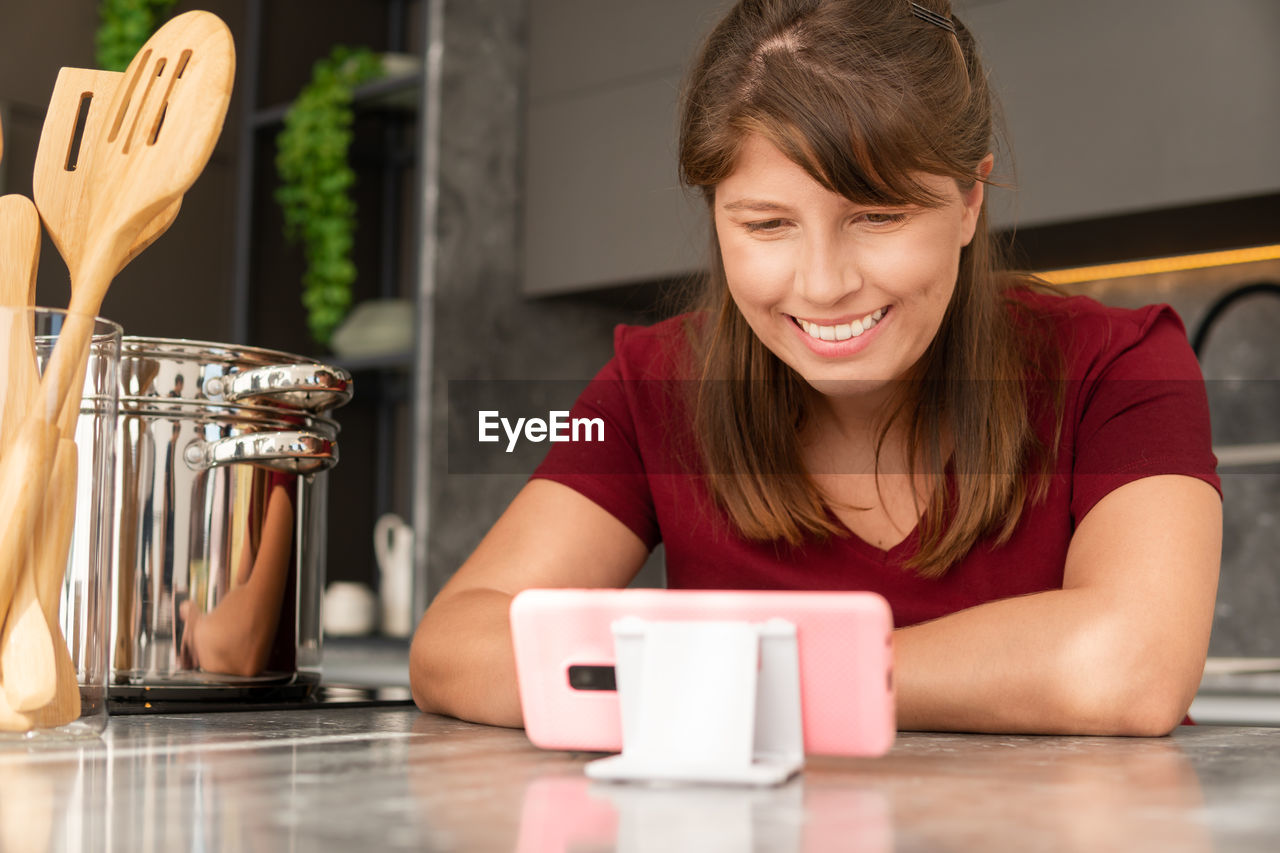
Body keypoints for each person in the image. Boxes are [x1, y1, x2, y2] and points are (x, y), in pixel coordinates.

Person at [410, 0, 1221, 735]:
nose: (825, 285)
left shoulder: (1121, 364)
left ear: (970, 200)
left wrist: (749, 675)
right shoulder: (655, 384)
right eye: (766, 225)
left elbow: (1132, 665)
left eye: (876, 216)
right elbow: (456, 644)